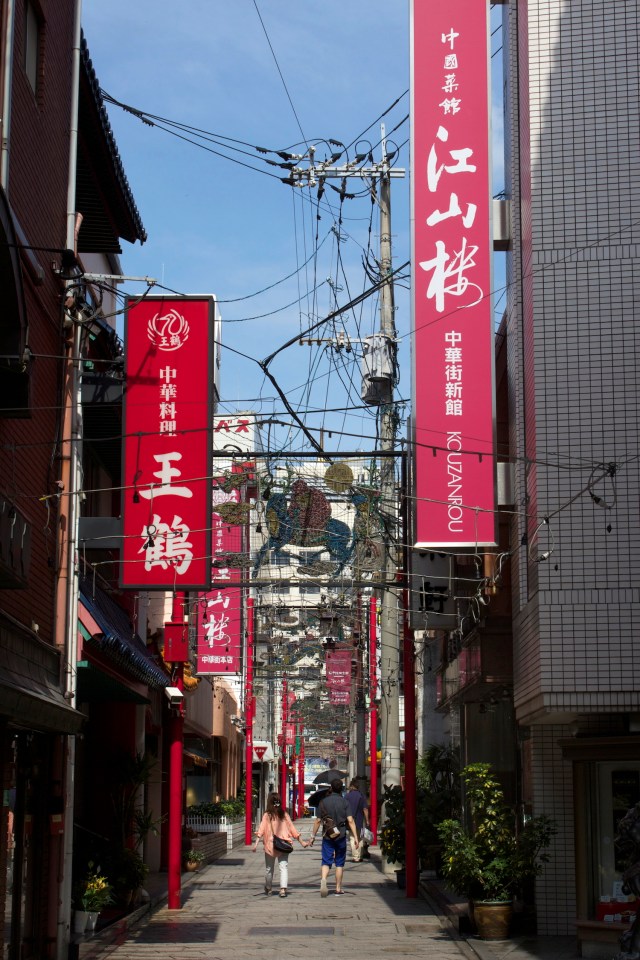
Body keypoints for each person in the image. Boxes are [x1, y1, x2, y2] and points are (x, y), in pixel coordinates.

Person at [253, 791, 309, 897]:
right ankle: (283, 890)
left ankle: (269, 888)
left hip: (270, 845)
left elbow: (261, 830)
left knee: (269, 868)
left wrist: (256, 844)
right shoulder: (284, 814)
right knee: (283, 867)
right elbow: (292, 829)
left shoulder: (267, 815)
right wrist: (302, 842)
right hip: (283, 844)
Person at [310, 778, 358, 897]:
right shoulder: (345, 802)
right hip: (341, 835)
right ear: (341, 788)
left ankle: (324, 880)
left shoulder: (323, 802)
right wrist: (356, 837)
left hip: (328, 834)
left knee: (326, 860)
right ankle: (338, 888)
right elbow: (350, 820)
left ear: (331, 788)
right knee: (340, 863)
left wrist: (312, 836)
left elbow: (317, 821)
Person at [345, 780, 370, 862]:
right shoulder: (361, 795)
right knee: (360, 837)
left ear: (351, 786)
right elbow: (365, 809)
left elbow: (344, 808)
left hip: (350, 819)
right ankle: (360, 855)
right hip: (360, 819)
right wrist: (367, 820)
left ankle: (355, 857)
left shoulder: (347, 796)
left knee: (352, 837)